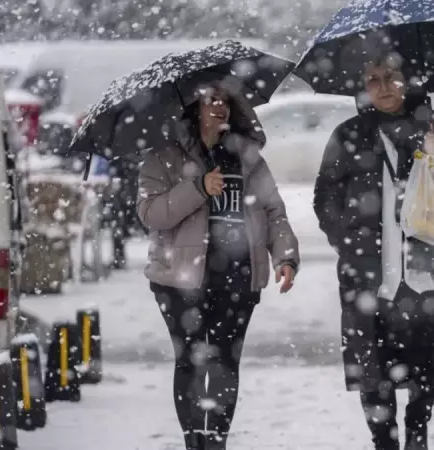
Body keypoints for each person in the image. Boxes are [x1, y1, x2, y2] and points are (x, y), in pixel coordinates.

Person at [313, 50, 434, 450]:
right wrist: (349, 243)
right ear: (363, 87)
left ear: (409, 79)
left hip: (430, 266)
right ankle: (383, 442)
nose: (384, 87)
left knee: (428, 358)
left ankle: (417, 432)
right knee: (372, 363)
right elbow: (325, 197)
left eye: (391, 76)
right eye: (374, 80)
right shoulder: (349, 134)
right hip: (370, 272)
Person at [137, 80, 300, 450]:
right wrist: (197, 189)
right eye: (211, 99)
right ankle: (195, 441)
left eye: (225, 101)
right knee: (190, 362)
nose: (220, 107)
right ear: (194, 106)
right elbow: (150, 215)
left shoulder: (247, 157)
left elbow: (274, 213)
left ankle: (217, 442)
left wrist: (286, 256)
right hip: (179, 281)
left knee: (225, 363)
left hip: (238, 277)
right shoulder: (164, 157)